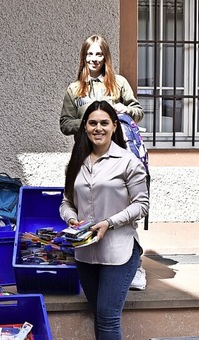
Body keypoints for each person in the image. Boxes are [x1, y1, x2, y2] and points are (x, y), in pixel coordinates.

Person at [59, 100, 149, 340]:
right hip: (85, 251)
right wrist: (71, 218)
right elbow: (66, 201)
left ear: (114, 126)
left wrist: (110, 222)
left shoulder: (128, 162)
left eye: (104, 123)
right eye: (92, 123)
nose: (98, 128)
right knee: (99, 315)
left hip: (120, 250)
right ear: (84, 127)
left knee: (109, 316)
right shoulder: (78, 161)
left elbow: (142, 205)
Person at [60, 34, 147, 291]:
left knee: (118, 202)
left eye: (99, 54)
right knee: (87, 204)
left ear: (105, 56)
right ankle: (91, 259)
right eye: (90, 54)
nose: (94, 59)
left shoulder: (118, 83)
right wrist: (89, 122)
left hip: (115, 154)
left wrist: (121, 110)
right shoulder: (74, 89)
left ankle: (134, 264)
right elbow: (64, 123)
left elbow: (138, 111)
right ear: (83, 57)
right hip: (84, 155)